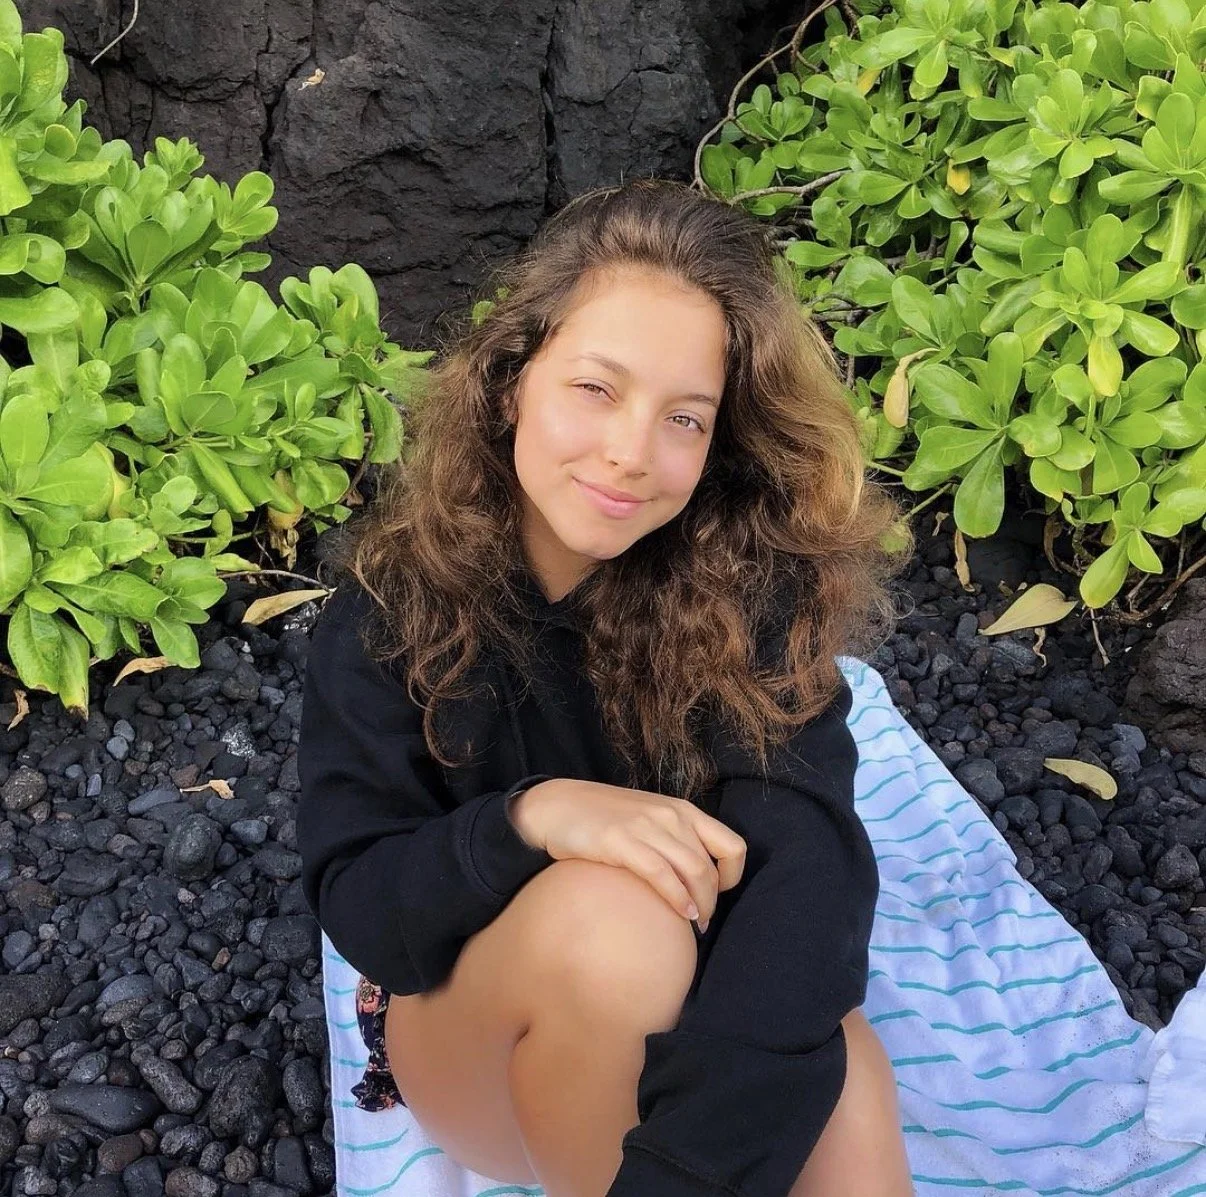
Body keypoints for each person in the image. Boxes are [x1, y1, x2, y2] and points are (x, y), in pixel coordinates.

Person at [297, 177, 915, 1196]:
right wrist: (534, 820)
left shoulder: (748, 589)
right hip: (476, 1025)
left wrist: (697, 1150)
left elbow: (811, 862)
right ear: (509, 383)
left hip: (688, 981)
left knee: (841, 1063)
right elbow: (365, 907)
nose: (634, 454)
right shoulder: (385, 611)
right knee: (611, 921)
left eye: (685, 417)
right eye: (597, 389)